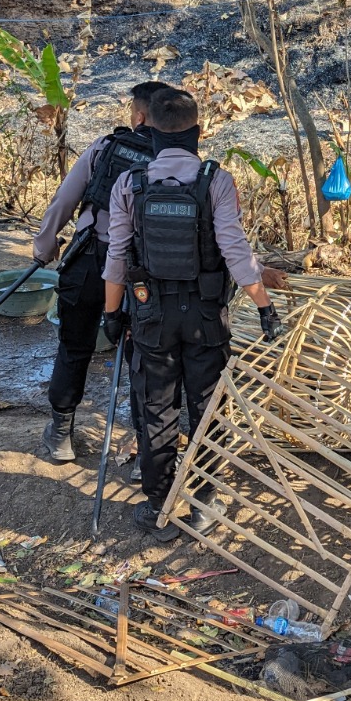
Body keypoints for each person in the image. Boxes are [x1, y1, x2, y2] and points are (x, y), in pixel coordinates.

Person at [101, 86, 285, 541]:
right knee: (207, 408)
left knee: (156, 409)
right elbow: (236, 252)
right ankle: (204, 502)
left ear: (149, 128)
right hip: (205, 317)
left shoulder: (130, 184)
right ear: (198, 132)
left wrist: (111, 315)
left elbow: (117, 258)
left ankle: (159, 506)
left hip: (151, 316)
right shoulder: (216, 182)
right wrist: (265, 307)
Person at [31, 80, 167, 464]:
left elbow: (64, 200)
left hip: (90, 262)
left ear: (139, 116)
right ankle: (145, 450)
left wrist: (44, 248)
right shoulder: (174, 161)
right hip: (143, 275)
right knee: (142, 359)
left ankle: (60, 434)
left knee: (74, 347)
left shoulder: (106, 147)